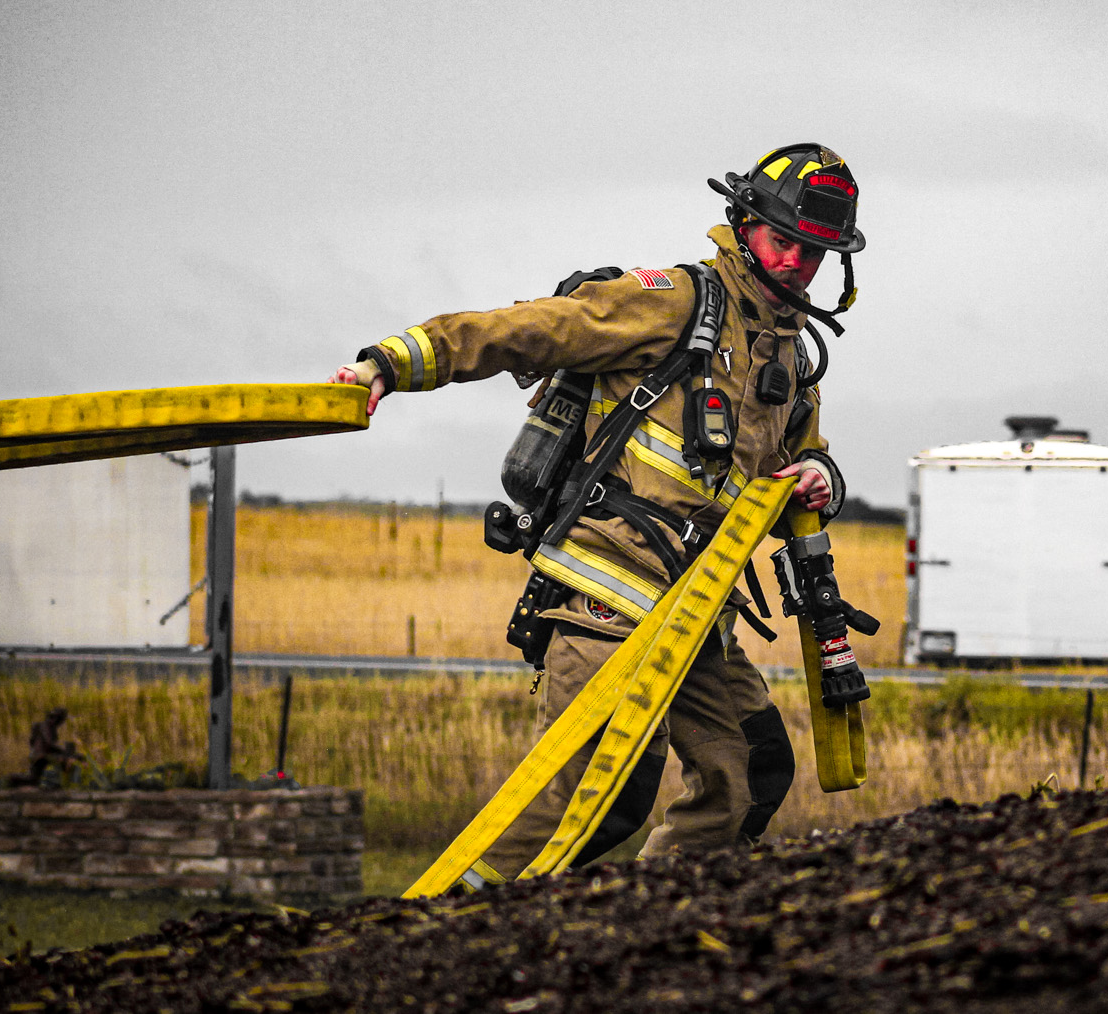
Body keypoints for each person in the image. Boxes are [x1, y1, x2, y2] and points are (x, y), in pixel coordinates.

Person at [330, 144, 865, 882]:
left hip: (695, 616)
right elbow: (531, 328)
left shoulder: (791, 361)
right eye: (786, 243)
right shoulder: (675, 301)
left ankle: (646, 939)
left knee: (751, 775)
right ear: (743, 224)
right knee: (600, 798)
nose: (799, 266)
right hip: (605, 600)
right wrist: (392, 362)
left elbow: (805, 460)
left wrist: (816, 478)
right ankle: (442, 932)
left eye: (817, 255)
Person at [26, 707, 80, 784]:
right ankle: (67, 783)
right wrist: (65, 752)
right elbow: (49, 744)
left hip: (41, 755)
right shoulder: (45, 726)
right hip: (41, 756)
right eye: (61, 720)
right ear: (56, 719)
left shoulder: (50, 728)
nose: (61, 723)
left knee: (33, 780)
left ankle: (61, 782)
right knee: (66, 760)